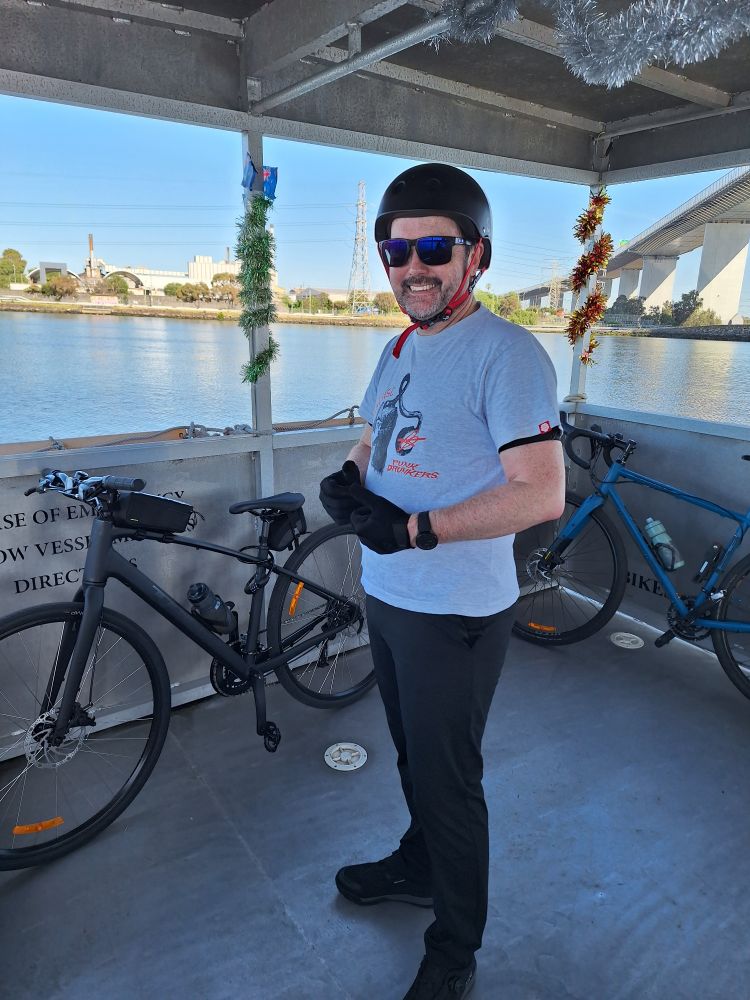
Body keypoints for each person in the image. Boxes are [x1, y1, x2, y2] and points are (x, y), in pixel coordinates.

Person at [319, 162, 566, 1000]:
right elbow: (374, 432)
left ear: (477, 257)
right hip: (390, 598)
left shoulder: (508, 354)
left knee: (450, 782)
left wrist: (417, 528)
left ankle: (455, 949)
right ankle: (419, 864)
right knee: (413, 759)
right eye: (396, 250)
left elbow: (541, 492)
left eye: (434, 247)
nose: (411, 267)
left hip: (454, 611)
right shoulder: (399, 346)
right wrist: (349, 477)